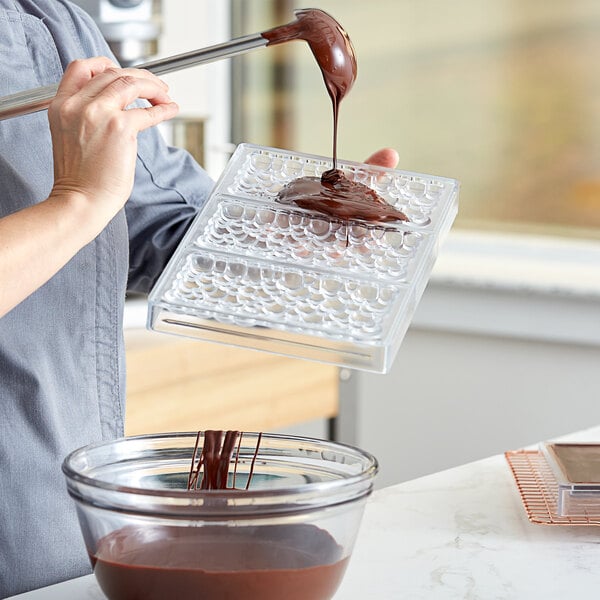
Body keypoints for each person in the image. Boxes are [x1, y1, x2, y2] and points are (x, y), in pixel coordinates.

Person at [0, 1, 399, 597]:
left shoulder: (46, 23)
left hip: (50, 517)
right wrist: (78, 200)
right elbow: (91, 196)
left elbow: (155, 218)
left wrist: (291, 236)